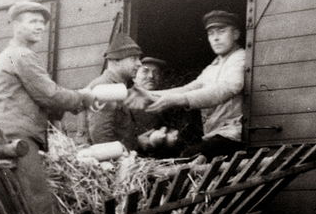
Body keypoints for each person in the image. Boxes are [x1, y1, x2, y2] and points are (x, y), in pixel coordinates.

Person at [0, 0, 93, 214]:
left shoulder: (10, 55)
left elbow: (42, 100)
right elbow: (48, 95)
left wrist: (74, 102)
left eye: (42, 23)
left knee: (14, 199)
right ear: (16, 25)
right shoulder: (20, 55)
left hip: (1, 133)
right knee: (38, 195)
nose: (40, 27)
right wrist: (83, 98)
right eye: (33, 22)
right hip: (14, 135)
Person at [141, 10, 247, 156]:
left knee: (187, 157)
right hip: (216, 135)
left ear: (235, 34)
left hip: (233, 135)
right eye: (211, 33)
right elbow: (188, 88)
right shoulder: (213, 67)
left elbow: (227, 88)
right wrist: (147, 94)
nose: (215, 38)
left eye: (221, 31)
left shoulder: (240, 59)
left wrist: (178, 100)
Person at [84, 35, 153, 152]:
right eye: (133, 59)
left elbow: (119, 133)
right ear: (116, 61)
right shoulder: (104, 87)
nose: (139, 64)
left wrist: (137, 142)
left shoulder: (118, 87)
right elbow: (101, 137)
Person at [134, 56, 204, 156]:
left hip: (164, 161)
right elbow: (110, 134)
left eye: (156, 72)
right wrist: (136, 141)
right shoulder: (124, 102)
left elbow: (187, 136)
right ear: (133, 77)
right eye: (145, 71)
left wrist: (173, 136)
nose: (151, 76)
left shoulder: (171, 103)